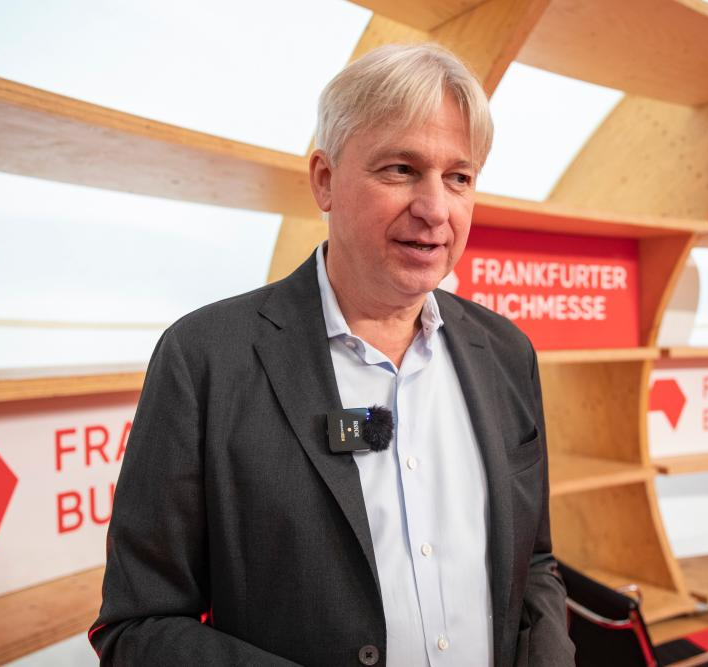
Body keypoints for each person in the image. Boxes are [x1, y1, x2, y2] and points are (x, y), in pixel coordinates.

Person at [90, 43, 576, 666]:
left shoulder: (506, 352)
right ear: (324, 179)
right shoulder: (205, 358)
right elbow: (139, 625)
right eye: (400, 169)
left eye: (459, 177)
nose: (435, 209)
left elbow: (533, 563)